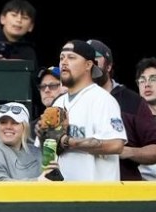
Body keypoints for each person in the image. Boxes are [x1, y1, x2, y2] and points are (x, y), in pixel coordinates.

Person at [36, 40, 125, 181]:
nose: (64, 62)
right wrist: (43, 137)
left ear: (88, 65)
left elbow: (116, 145)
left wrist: (68, 141)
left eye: (71, 57)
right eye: (61, 58)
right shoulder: (58, 102)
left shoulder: (102, 99)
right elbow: (51, 151)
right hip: (64, 192)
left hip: (96, 194)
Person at [86, 39, 156, 180]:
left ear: (109, 66)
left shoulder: (132, 101)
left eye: (96, 57)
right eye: (84, 58)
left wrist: (124, 151)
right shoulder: (69, 100)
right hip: (78, 190)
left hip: (122, 193)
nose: (90, 62)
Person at [0, 102, 55, 181]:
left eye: (15, 123)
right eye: (3, 122)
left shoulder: (36, 151)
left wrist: (53, 173)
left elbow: (51, 183)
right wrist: (37, 181)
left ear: (25, 127)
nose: (8, 127)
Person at [0, 0, 37, 64]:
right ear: (3, 19)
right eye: (14, 15)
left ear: (31, 27)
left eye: (25, 18)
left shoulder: (29, 52)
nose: (19, 20)